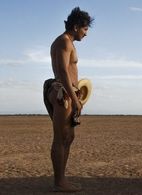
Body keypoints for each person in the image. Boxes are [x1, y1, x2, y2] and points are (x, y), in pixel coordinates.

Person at [43, 7, 93, 192]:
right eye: (85, 29)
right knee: (60, 138)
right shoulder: (64, 42)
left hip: (68, 92)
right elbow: (63, 72)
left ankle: (61, 179)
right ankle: (59, 182)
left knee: (68, 137)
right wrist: (74, 98)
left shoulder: (67, 42)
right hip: (63, 93)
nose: (86, 34)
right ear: (75, 26)